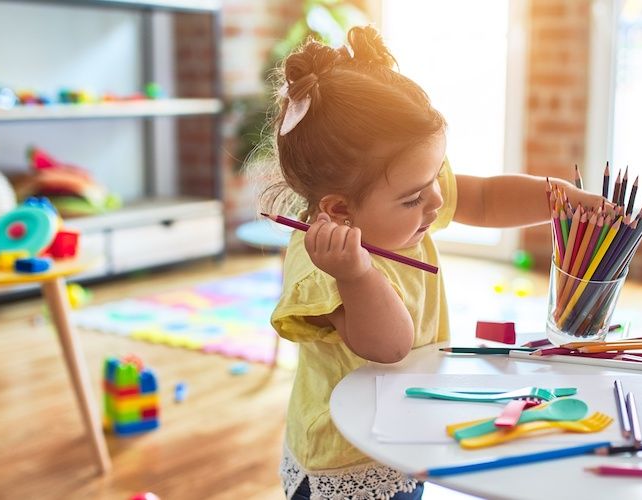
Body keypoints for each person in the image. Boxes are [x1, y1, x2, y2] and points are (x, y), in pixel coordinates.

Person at [258, 26, 607, 500]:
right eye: (415, 197)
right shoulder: (322, 261)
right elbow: (390, 345)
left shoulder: (407, 199)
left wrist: (562, 199)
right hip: (348, 461)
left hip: (404, 429)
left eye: (435, 176)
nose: (437, 200)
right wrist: (357, 273)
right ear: (340, 211)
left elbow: (484, 198)